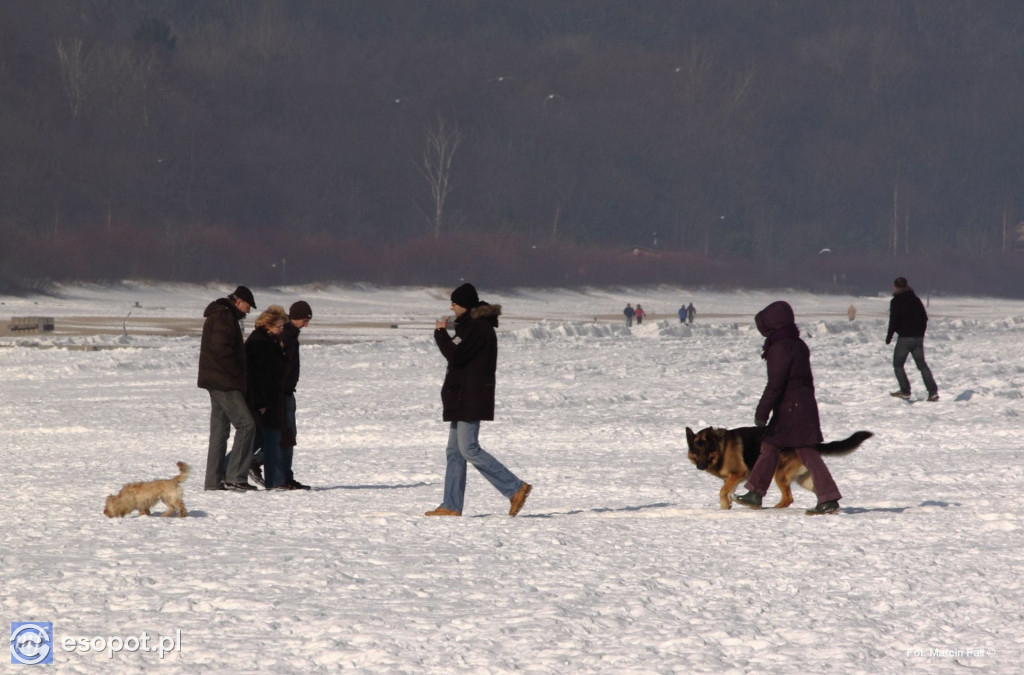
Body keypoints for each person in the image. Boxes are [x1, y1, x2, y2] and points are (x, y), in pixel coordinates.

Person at [426, 283, 532, 517]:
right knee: (454, 452)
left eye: (454, 302)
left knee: (469, 449)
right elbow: (459, 354)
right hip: (461, 395)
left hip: (470, 396)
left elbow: (455, 356)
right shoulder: (469, 327)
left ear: (464, 304)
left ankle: (516, 488)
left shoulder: (478, 328)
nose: (451, 306)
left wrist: (441, 333)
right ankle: (451, 505)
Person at [734, 301, 843, 515]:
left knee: (807, 452)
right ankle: (755, 492)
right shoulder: (797, 343)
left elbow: (776, 383)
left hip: (791, 406)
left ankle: (828, 498)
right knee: (770, 446)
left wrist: (762, 411)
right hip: (799, 404)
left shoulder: (779, 348)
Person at [198, 285, 258, 491]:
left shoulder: (222, 315)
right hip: (224, 382)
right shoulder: (224, 317)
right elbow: (221, 350)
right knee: (247, 425)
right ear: (238, 301)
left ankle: (213, 482)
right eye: (248, 306)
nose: (248, 311)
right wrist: (237, 375)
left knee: (220, 432)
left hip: (216, 380)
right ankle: (235, 477)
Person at [245, 305, 289, 490]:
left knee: (266, 439)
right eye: (279, 325)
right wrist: (260, 402)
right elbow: (256, 375)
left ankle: (276, 480)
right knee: (267, 440)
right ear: (268, 324)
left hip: (272, 400)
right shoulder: (259, 342)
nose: (282, 329)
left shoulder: (270, 341)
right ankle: (276, 481)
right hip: (264, 401)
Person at [886, 277, 938, 401]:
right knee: (922, 365)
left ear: (897, 287)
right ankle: (933, 392)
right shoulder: (916, 300)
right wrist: (921, 333)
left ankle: (905, 390)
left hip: (905, 338)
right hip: (918, 338)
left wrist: (889, 336)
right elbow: (924, 318)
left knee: (898, 364)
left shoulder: (896, 301)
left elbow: (893, 321)